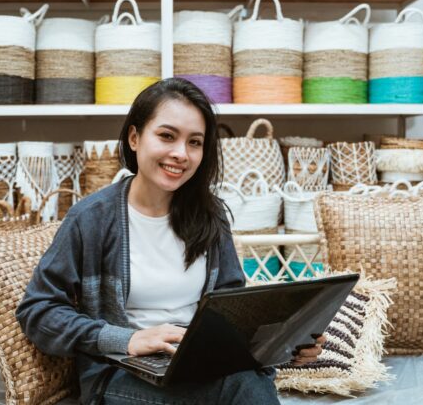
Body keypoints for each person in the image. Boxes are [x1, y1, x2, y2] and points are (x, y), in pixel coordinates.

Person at [16, 78, 324, 404]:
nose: (180, 153)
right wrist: (127, 339)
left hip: (201, 363)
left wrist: (285, 346)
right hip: (122, 373)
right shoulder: (91, 219)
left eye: (194, 142)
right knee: (243, 389)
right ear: (134, 138)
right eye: (166, 136)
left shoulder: (211, 215)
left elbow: (233, 313)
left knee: (244, 382)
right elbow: (38, 310)